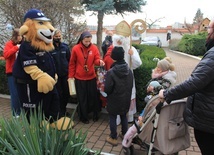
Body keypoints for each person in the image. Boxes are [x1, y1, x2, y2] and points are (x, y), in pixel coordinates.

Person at [158, 19, 214, 155]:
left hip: (209, 119)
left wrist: (166, 94)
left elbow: (194, 82)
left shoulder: (213, 55)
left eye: (209, 28)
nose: (207, 32)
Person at [104, 33, 142, 124]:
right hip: (115, 77)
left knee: (127, 98)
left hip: (127, 77)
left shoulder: (131, 49)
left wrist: (132, 55)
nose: (119, 43)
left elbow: (138, 64)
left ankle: (128, 119)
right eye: (117, 41)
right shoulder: (114, 49)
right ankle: (117, 121)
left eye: (121, 41)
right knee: (117, 98)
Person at [68, 31, 105, 124]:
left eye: (89, 41)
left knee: (93, 97)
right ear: (82, 39)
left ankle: (95, 114)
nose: (88, 43)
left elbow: (96, 59)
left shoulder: (94, 48)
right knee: (82, 98)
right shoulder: (76, 49)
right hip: (79, 78)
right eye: (86, 41)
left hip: (91, 77)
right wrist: (71, 76)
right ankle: (83, 117)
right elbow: (72, 63)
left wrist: (99, 61)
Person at [104, 46, 133, 146]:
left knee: (112, 117)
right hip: (125, 99)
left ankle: (113, 137)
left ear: (113, 57)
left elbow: (107, 89)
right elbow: (131, 85)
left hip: (114, 99)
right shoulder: (129, 70)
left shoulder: (111, 72)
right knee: (123, 115)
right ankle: (124, 133)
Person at [50, 29, 70, 116]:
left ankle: (64, 110)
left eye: (59, 36)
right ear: (52, 37)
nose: (58, 38)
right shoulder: (49, 48)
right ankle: (58, 112)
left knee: (66, 94)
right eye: (56, 36)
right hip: (55, 76)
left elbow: (69, 59)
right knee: (58, 94)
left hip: (65, 74)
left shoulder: (65, 47)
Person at [3, 28, 22, 117]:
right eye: (20, 35)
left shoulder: (22, 44)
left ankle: (21, 111)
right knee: (14, 93)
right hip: (12, 72)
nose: (21, 37)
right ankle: (15, 113)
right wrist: (16, 48)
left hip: (21, 72)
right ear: (16, 36)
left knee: (21, 92)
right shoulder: (9, 44)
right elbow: (6, 55)